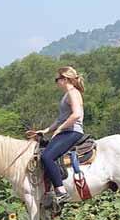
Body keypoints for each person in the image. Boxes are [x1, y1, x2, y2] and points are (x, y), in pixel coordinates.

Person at [26, 66, 85, 205]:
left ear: (64, 79)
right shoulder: (67, 94)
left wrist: (60, 129)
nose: (56, 82)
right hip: (66, 130)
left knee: (47, 156)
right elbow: (60, 119)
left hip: (72, 131)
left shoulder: (73, 93)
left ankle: (61, 192)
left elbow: (76, 114)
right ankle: (48, 190)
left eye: (57, 79)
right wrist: (46, 130)